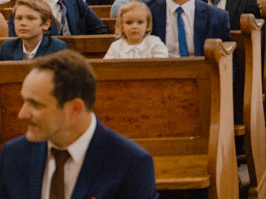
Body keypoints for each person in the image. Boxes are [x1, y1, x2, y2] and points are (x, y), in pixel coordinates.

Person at [0, 51, 158, 198]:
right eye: (24, 101)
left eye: (35, 105)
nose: (22, 114)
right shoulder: (12, 156)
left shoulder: (130, 164)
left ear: (75, 109)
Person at [0, 0, 67, 61]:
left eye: (31, 18)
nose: (23, 23)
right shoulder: (7, 47)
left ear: (46, 24)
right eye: (19, 18)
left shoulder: (57, 47)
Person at [103, 1, 168, 59]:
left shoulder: (154, 43)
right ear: (121, 26)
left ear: (147, 25)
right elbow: (107, 65)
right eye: (129, 23)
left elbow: (161, 63)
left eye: (140, 22)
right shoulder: (116, 46)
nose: (134, 27)